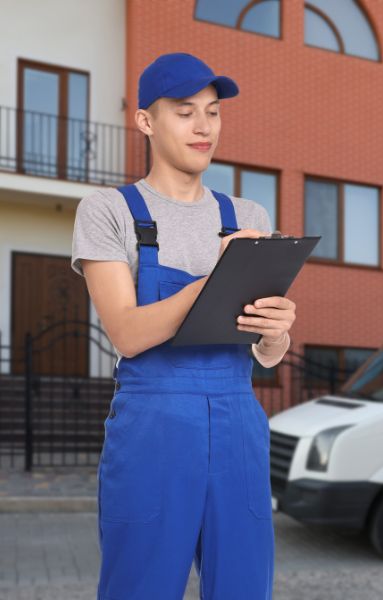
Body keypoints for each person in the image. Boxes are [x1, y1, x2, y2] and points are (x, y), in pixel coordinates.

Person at [70, 52, 294, 599]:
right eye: (185, 111)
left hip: (239, 419)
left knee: (244, 588)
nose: (203, 127)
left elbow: (264, 355)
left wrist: (276, 331)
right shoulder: (109, 211)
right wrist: (216, 278)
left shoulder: (249, 218)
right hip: (154, 425)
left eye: (213, 112)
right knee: (141, 587)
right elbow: (127, 332)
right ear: (146, 121)